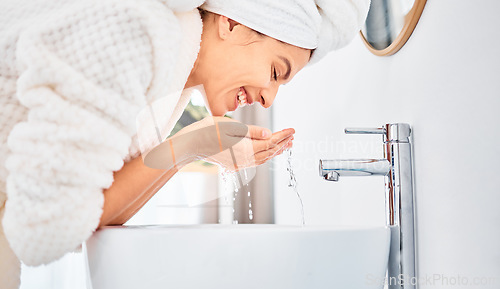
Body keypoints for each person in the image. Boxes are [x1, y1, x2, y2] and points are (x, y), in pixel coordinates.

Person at [0, 0, 370, 287]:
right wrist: (190, 143)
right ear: (233, 24)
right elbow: (43, 231)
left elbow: (95, 216)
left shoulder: (169, 77)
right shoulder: (135, 31)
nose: (269, 99)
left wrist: (192, 146)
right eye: (275, 72)